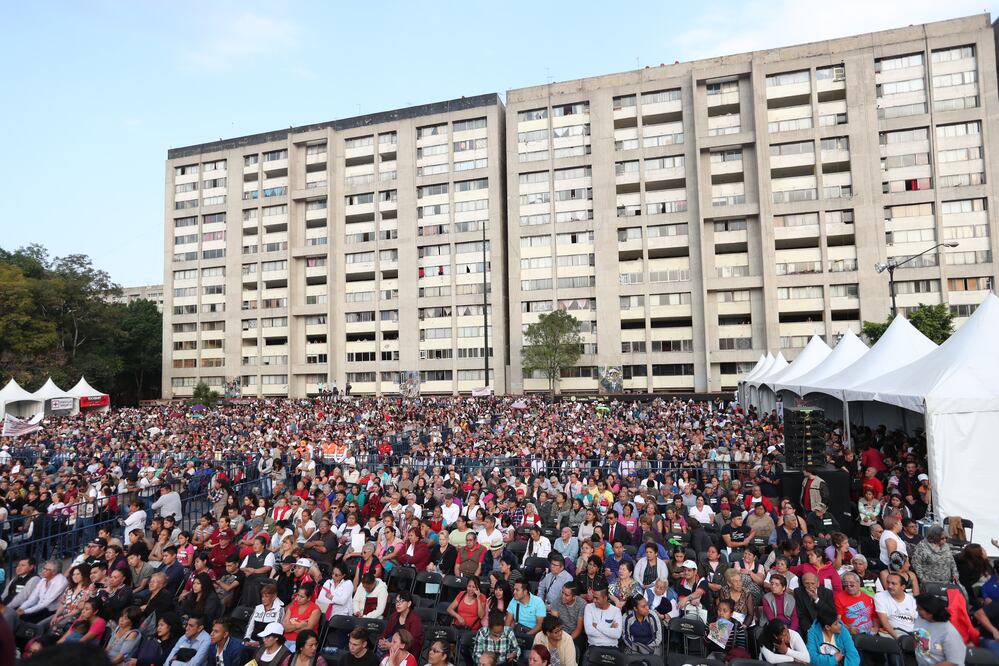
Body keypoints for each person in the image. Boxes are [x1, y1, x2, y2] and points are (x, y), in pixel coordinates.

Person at [912, 594, 965, 666]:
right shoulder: (921, 618)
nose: (916, 610)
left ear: (930, 613)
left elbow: (954, 662)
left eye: (920, 609)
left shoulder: (949, 632)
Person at [379, 592, 424, 659]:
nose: (398, 604)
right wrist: (382, 640)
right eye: (397, 601)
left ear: (409, 604)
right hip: (392, 645)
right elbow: (386, 632)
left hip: (407, 650)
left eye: (402, 601)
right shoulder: (393, 616)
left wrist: (392, 646)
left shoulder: (415, 620)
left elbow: (413, 642)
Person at [875, 572, 917, 639]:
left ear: (903, 587)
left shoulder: (911, 599)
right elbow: (884, 622)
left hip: (912, 634)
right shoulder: (880, 597)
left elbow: (916, 620)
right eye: (888, 582)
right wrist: (898, 638)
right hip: (893, 634)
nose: (889, 586)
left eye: (893, 584)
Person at [283, 583, 321, 652]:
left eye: (302, 597)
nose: (298, 598)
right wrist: (299, 625)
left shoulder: (315, 609)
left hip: (301, 643)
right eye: (298, 595)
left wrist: (291, 626)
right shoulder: (292, 606)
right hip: (285, 640)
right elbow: (285, 628)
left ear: (309, 598)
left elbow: (307, 632)